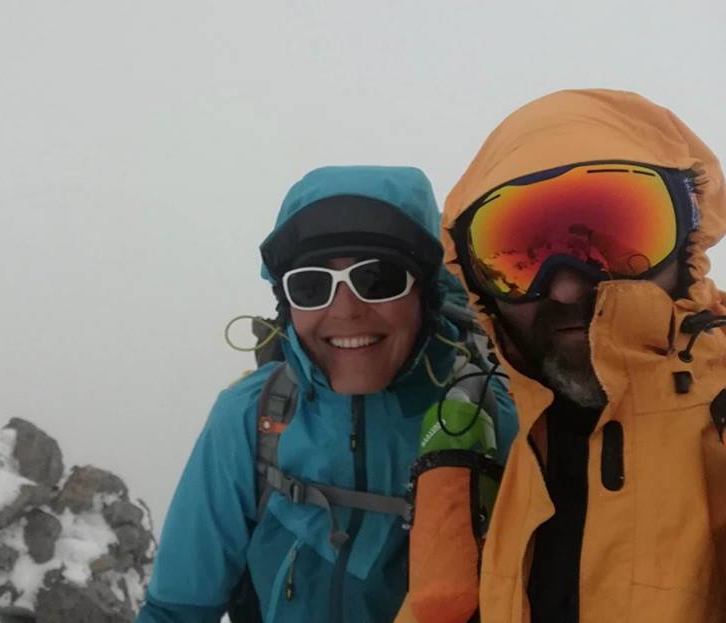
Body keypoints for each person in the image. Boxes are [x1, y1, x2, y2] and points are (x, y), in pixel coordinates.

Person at [137, 165, 517, 622]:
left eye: (377, 279)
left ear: (427, 291)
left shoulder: (495, 414)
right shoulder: (252, 418)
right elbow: (176, 611)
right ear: (286, 303)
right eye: (312, 286)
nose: (346, 310)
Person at [440, 89, 726, 622]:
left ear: (691, 237)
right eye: (519, 258)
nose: (568, 289)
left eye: (616, 242)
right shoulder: (522, 435)